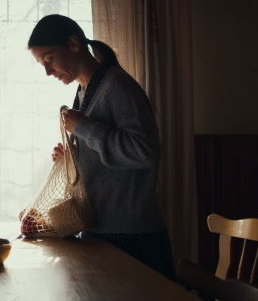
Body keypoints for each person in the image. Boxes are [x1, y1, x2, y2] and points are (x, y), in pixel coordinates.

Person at [27, 14, 175, 281]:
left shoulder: (118, 85)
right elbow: (106, 158)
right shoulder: (84, 91)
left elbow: (145, 151)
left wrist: (84, 128)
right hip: (101, 230)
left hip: (132, 236)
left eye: (49, 59)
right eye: (42, 64)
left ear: (74, 44)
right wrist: (73, 156)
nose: (48, 71)